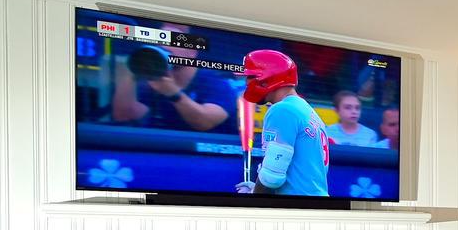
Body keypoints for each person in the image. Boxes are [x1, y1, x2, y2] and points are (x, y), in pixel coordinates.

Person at [236, 49, 330, 196]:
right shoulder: (305, 109)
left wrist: (254, 197)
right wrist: (256, 188)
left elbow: (272, 177)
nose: (246, 82)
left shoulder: (283, 110)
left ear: (268, 78)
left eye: (251, 76)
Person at [109, 46, 232, 131]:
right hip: (159, 151)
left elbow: (205, 122)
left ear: (192, 52)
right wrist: (134, 70)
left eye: (172, 42)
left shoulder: (213, 82)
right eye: (159, 43)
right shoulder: (153, 81)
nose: (164, 47)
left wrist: (173, 94)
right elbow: (124, 116)